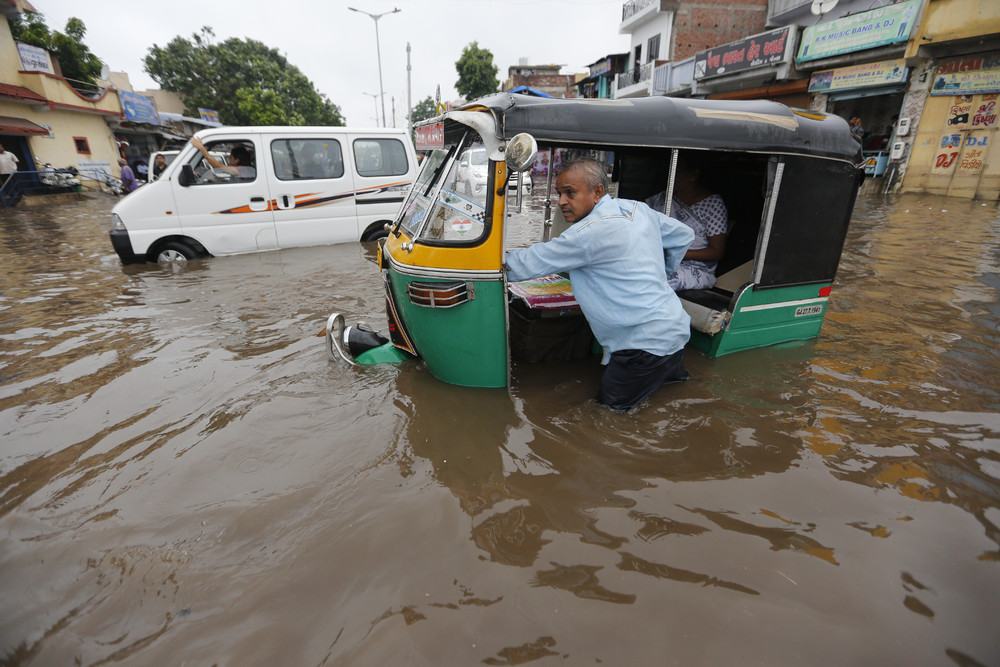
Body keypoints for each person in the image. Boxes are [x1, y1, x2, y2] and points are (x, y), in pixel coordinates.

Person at [505, 158, 695, 412]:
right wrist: (662, 273)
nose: (561, 201)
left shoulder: (586, 234)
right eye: (559, 193)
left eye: (570, 193)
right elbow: (684, 236)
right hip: (674, 328)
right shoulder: (637, 209)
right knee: (674, 396)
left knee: (605, 419)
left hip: (641, 345)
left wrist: (482, 262)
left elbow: (525, 264)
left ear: (597, 192)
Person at [646, 154, 728, 291]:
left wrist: (676, 253)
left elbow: (717, 251)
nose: (671, 177)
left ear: (694, 175)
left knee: (660, 281)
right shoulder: (662, 199)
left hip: (696, 269)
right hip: (659, 260)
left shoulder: (713, 204)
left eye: (677, 172)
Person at [189, 137, 255, 181]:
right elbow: (231, 183)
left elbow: (217, 166)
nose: (229, 159)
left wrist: (201, 148)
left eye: (231, 157)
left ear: (237, 160)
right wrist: (214, 177)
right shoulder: (245, 169)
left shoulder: (241, 170)